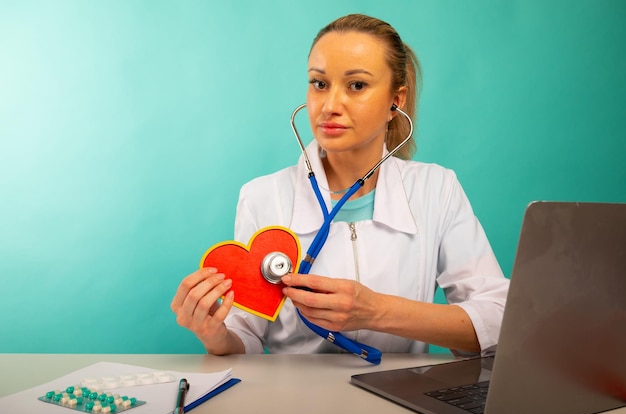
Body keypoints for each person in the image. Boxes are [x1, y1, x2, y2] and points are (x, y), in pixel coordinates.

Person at [171, 14, 509, 357]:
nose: (330, 106)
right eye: (319, 84)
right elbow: (246, 335)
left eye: (357, 85)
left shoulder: (436, 189)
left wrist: (378, 311)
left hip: (401, 396)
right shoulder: (263, 196)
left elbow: (497, 320)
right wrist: (215, 335)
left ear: (397, 101)